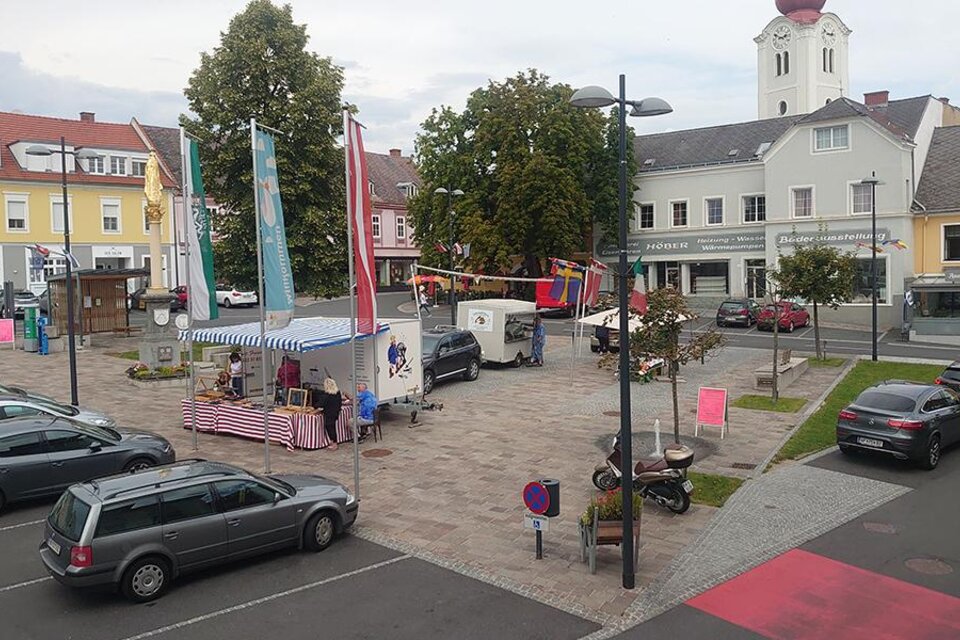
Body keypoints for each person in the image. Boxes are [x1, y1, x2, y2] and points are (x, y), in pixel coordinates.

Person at [316, 378, 344, 451]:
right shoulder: (337, 393)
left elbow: (320, 404)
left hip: (329, 413)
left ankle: (334, 443)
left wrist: (315, 407)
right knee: (332, 427)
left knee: (330, 427)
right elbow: (339, 403)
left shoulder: (326, 395)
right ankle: (332, 441)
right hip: (335, 412)